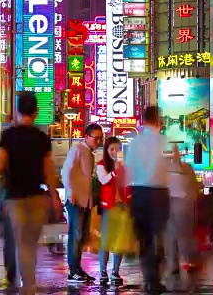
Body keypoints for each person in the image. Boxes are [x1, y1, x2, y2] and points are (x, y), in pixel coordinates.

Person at [0, 92, 62, 295]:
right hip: (38, 198)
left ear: (17, 111)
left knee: (21, 243)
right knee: (30, 244)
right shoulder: (42, 138)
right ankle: (29, 284)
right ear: (36, 112)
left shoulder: (8, 136)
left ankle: (28, 286)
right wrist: (55, 197)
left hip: (15, 198)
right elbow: (49, 171)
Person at [124, 106, 170, 294]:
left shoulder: (134, 142)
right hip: (159, 193)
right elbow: (171, 167)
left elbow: (128, 170)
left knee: (145, 238)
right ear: (158, 120)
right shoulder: (164, 141)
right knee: (157, 235)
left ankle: (149, 278)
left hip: (139, 194)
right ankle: (154, 278)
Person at [61, 123, 104, 282]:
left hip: (84, 201)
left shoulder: (89, 153)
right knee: (76, 235)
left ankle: (77, 269)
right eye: (96, 138)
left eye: (100, 139)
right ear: (86, 136)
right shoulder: (77, 149)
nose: (98, 142)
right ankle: (73, 271)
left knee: (82, 236)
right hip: (75, 200)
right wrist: (71, 192)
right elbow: (66, 171)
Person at [164, 145, 200, 287]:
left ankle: (183, 261)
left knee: (182, 235)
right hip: (168, 204)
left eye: (176, 151)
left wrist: (191, 202)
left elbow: (194, 188)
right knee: (170, 235)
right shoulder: (164, 169)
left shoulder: (187, 168)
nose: (174, 155)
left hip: (183, 205)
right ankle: (172, 264)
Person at [96, 136, 126, 285]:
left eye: (117, 149)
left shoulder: (124, 166)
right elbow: (104, 180)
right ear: (106, 150)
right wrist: (115, 172)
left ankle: (115, 271)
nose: (115, 152)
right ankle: (103, 271)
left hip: (122, 206)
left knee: (120, 241)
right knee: (106, 241)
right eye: (111, 149)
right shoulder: (101, 165)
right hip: (109, 206)